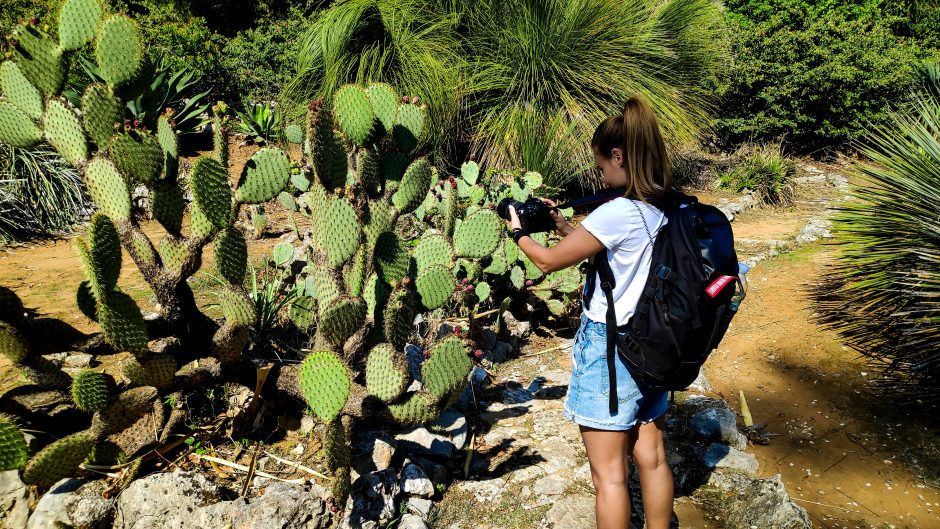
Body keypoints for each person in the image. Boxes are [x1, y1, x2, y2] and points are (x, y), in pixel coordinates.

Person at [503, 96, 675, 529]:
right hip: (651, 341)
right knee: (651, 457)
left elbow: (546, 262)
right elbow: (616, 255)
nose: (601, 174)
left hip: (611, 349)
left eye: (601, 166)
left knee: (610, 477)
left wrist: (518, 232)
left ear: (618, 156)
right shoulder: (662, 204)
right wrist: (566, 229)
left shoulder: (618, 211)